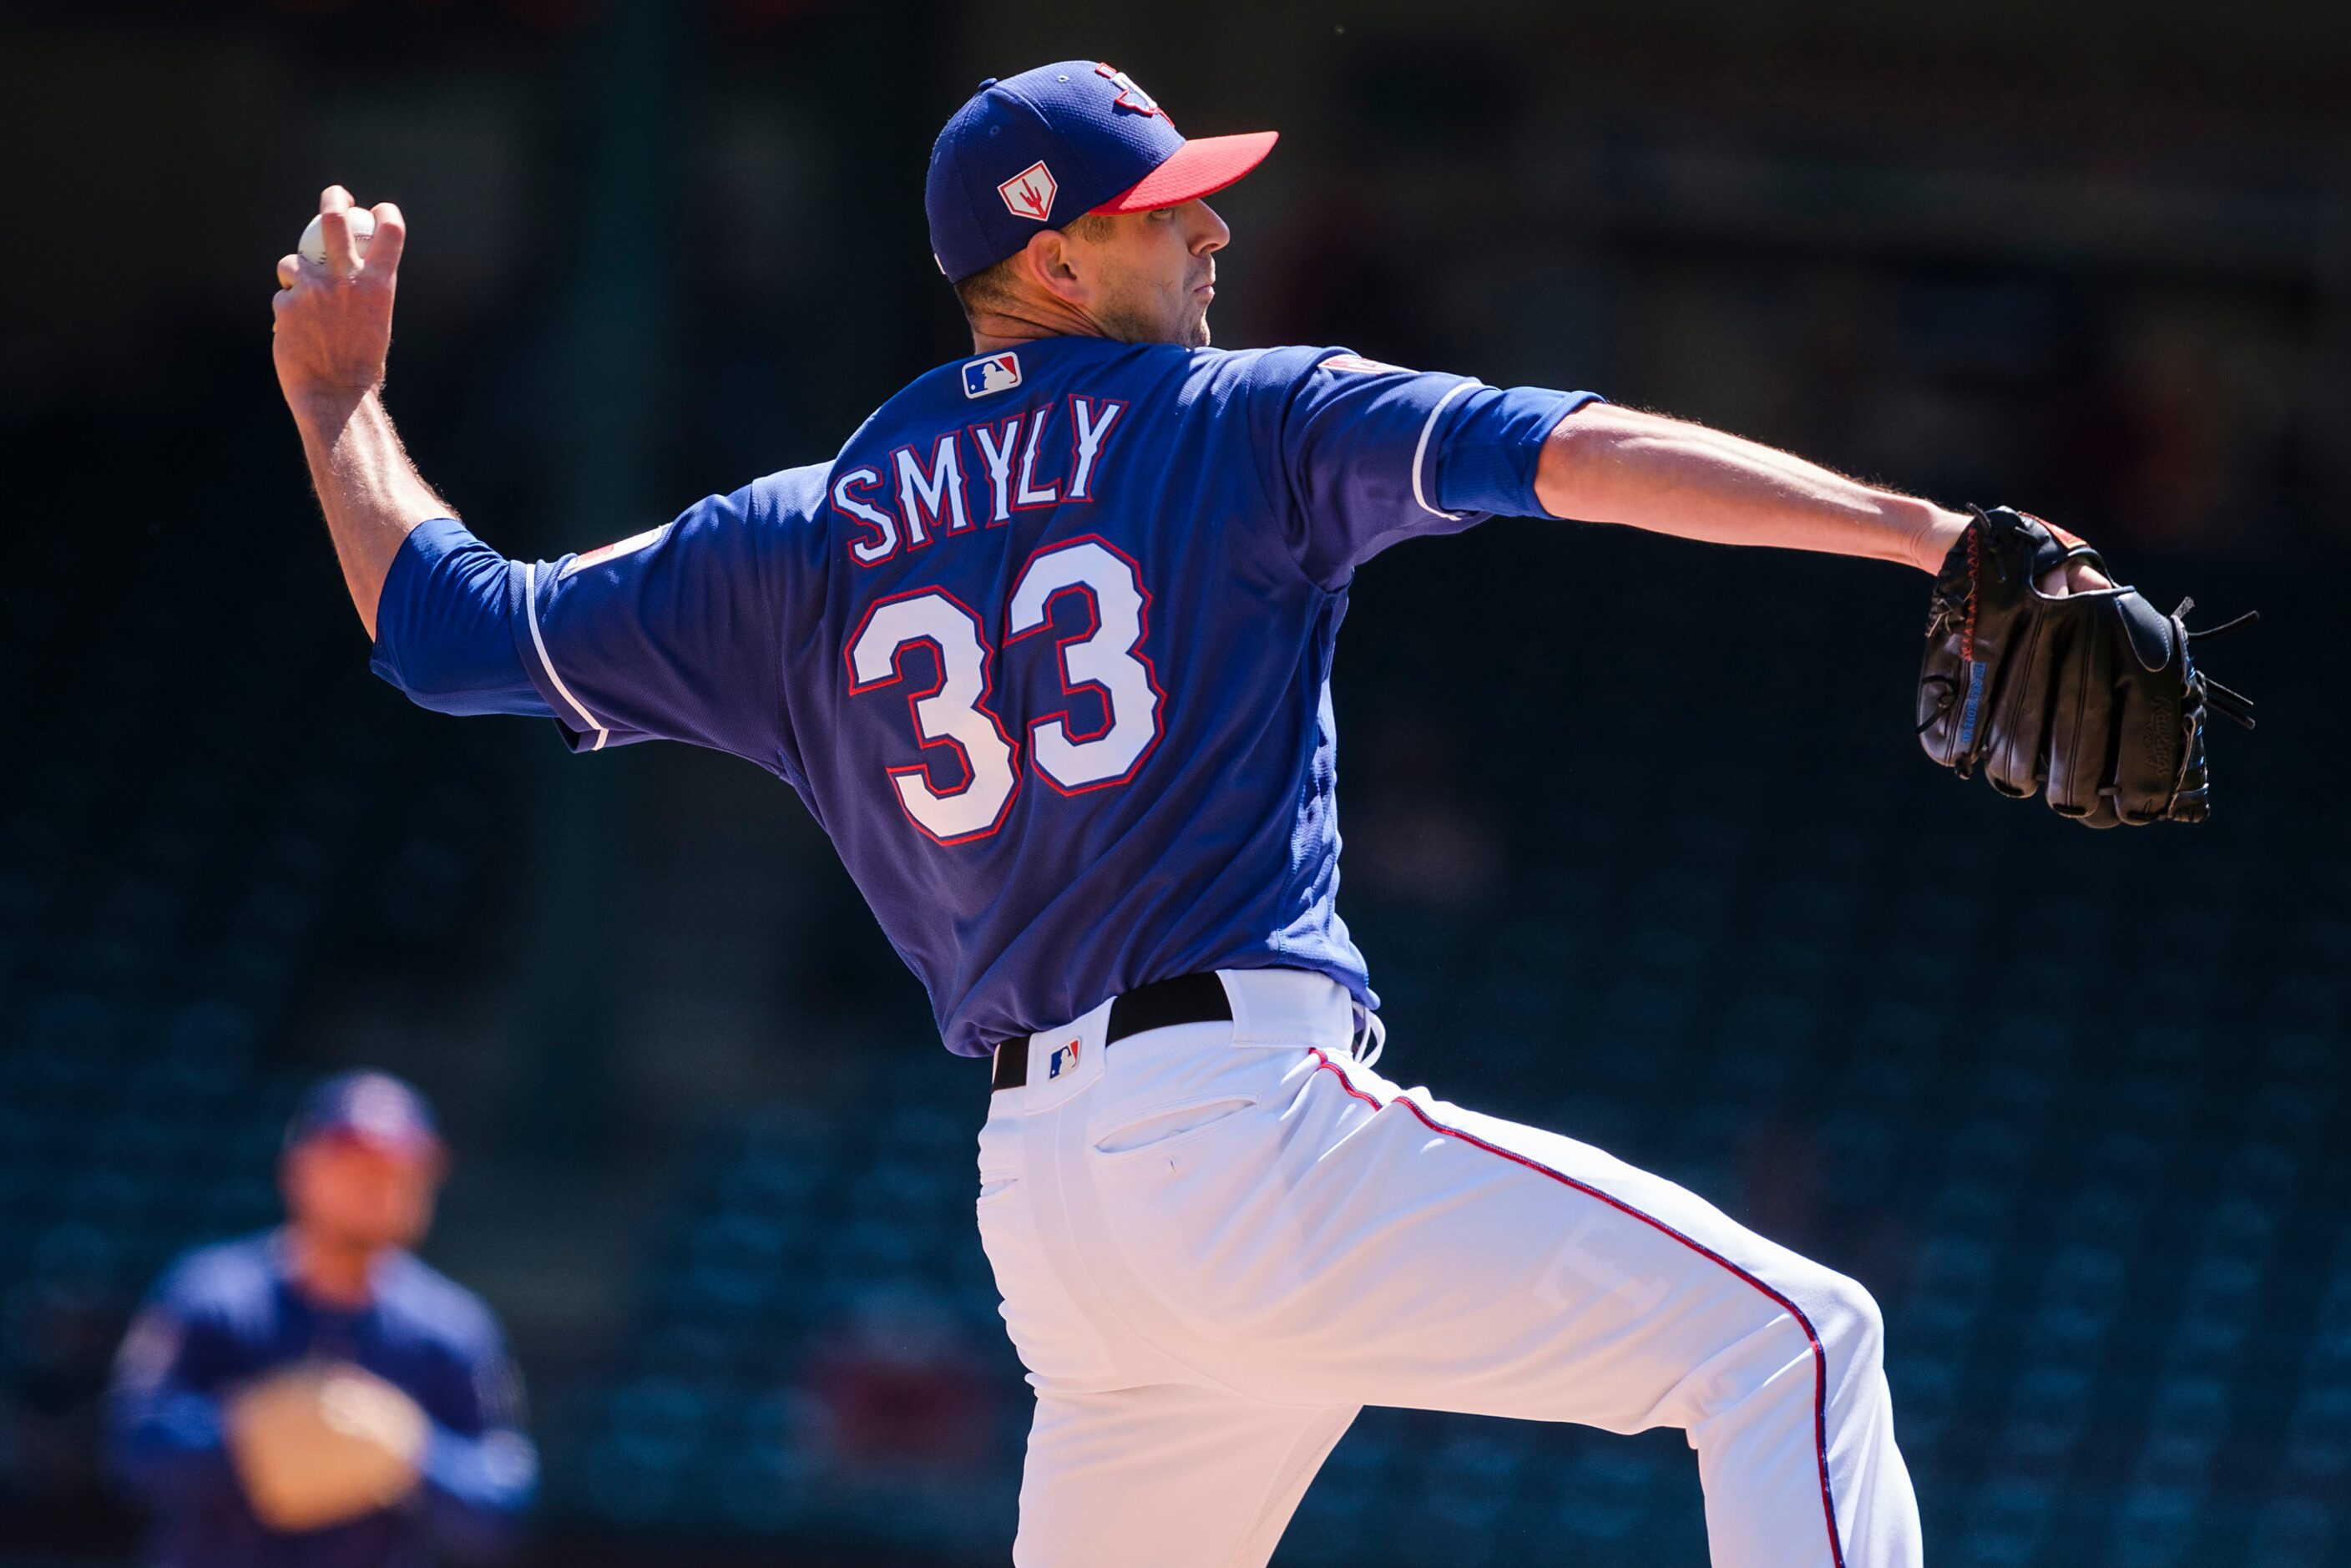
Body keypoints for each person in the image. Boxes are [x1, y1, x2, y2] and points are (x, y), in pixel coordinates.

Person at [269, 59, 2131, 1568]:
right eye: (1169, 206)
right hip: (1240, 1134)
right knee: (1797, 1348)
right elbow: (1577, 450)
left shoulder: (805, 530)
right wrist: (1916, 529)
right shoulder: (1231, 419)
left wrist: (342, 402)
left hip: (1059, 1224)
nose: (1218, 225)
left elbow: (449, 630)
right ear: (1057, 260)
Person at [106, 1071, 536, 1565]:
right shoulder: (212, 1295)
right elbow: (133, 1450)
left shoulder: (453, 1330)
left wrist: (408, 1451)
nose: (379, 1188)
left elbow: (504, 1501)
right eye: (358, 1167)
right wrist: (250, 1429)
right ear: (300, 1169)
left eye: (402, 1171)